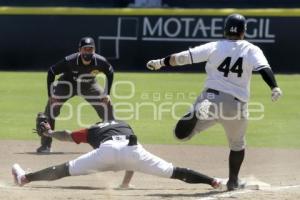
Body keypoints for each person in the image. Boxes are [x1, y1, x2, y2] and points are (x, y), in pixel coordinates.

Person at [146, 14, 282, 191]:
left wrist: (159, 63)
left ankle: (196, 113)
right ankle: (233, 181)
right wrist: (274, 87)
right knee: (237, 145)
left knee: (180, 135)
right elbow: (264, 69)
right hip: (236, 105)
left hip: (211, 99)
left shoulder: (215, 46)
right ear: (243, 32)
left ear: (225, 30)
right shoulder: (251, 49)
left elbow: (182, 58)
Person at [13, 120, 221, 190]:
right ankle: (214, 181)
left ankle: (25, 178)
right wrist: (124, 184)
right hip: (133, 151)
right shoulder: (125, 126)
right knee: (175, 171)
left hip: (105, 152)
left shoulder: (95, 129)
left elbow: (67, 136)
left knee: (64, 169)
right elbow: (131, 157)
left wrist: (49, 133)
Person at [36, 36, 115, 153]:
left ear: (94, 50)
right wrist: (51, 94)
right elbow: (51, 71)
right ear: (80, 50)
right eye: (85, 49)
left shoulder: (100, 61)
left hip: (89, 85)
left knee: (107, 106)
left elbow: (110, 72)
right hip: (67, 84)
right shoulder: (69, 60)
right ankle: (46, 145)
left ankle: (112, 143)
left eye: (90, 49)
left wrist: (106, 93)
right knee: (51, 108)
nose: (87, 52)